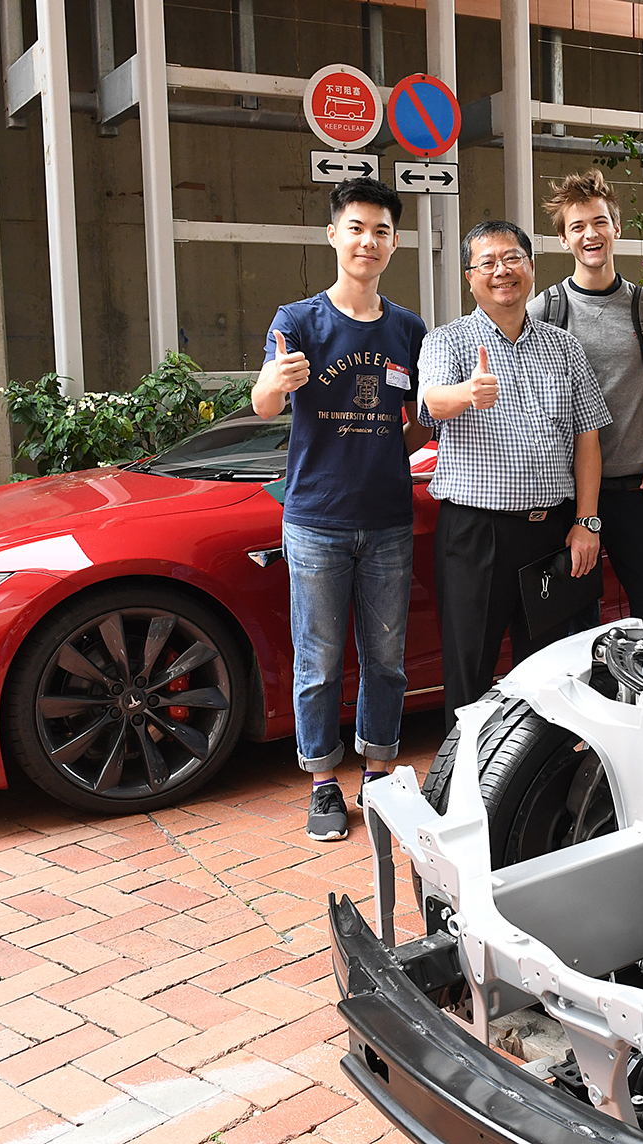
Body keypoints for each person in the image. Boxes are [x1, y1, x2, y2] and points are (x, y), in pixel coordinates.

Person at [252, 177, 431, 843]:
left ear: (394, 243)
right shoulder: (298, 320)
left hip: (388, 519)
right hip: (315, 521)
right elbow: (264, 404)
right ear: (333, 235)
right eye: (356, 228)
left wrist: (388, 448)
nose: (367, 241)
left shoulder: (408, 329)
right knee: (319, 660)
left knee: (386, 658)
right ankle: (323, 781)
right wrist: (274, 383)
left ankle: (378, 773)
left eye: (380, 231)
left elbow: (419, 418)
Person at [418, 220, 612, 729]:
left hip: (552, 533)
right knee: (470, 671)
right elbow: (432, 402)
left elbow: (588, 438)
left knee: (549, 675)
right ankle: (464, 773)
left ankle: (539, 776)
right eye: (487, 263)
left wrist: (586, 522)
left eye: (512, 259)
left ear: (530, 267)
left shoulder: (564, 347)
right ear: (470, 277)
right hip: (476, 534)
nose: (501, 271)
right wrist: (468, 393)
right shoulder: (448, 341)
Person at [529, 170, 643, 625]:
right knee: (576, 625)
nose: (590, 234)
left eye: (599, 222)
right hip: (567, 495)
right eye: (577, 226)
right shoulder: (545, 311)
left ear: (616, 228)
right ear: (564, 239)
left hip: (636, 490)